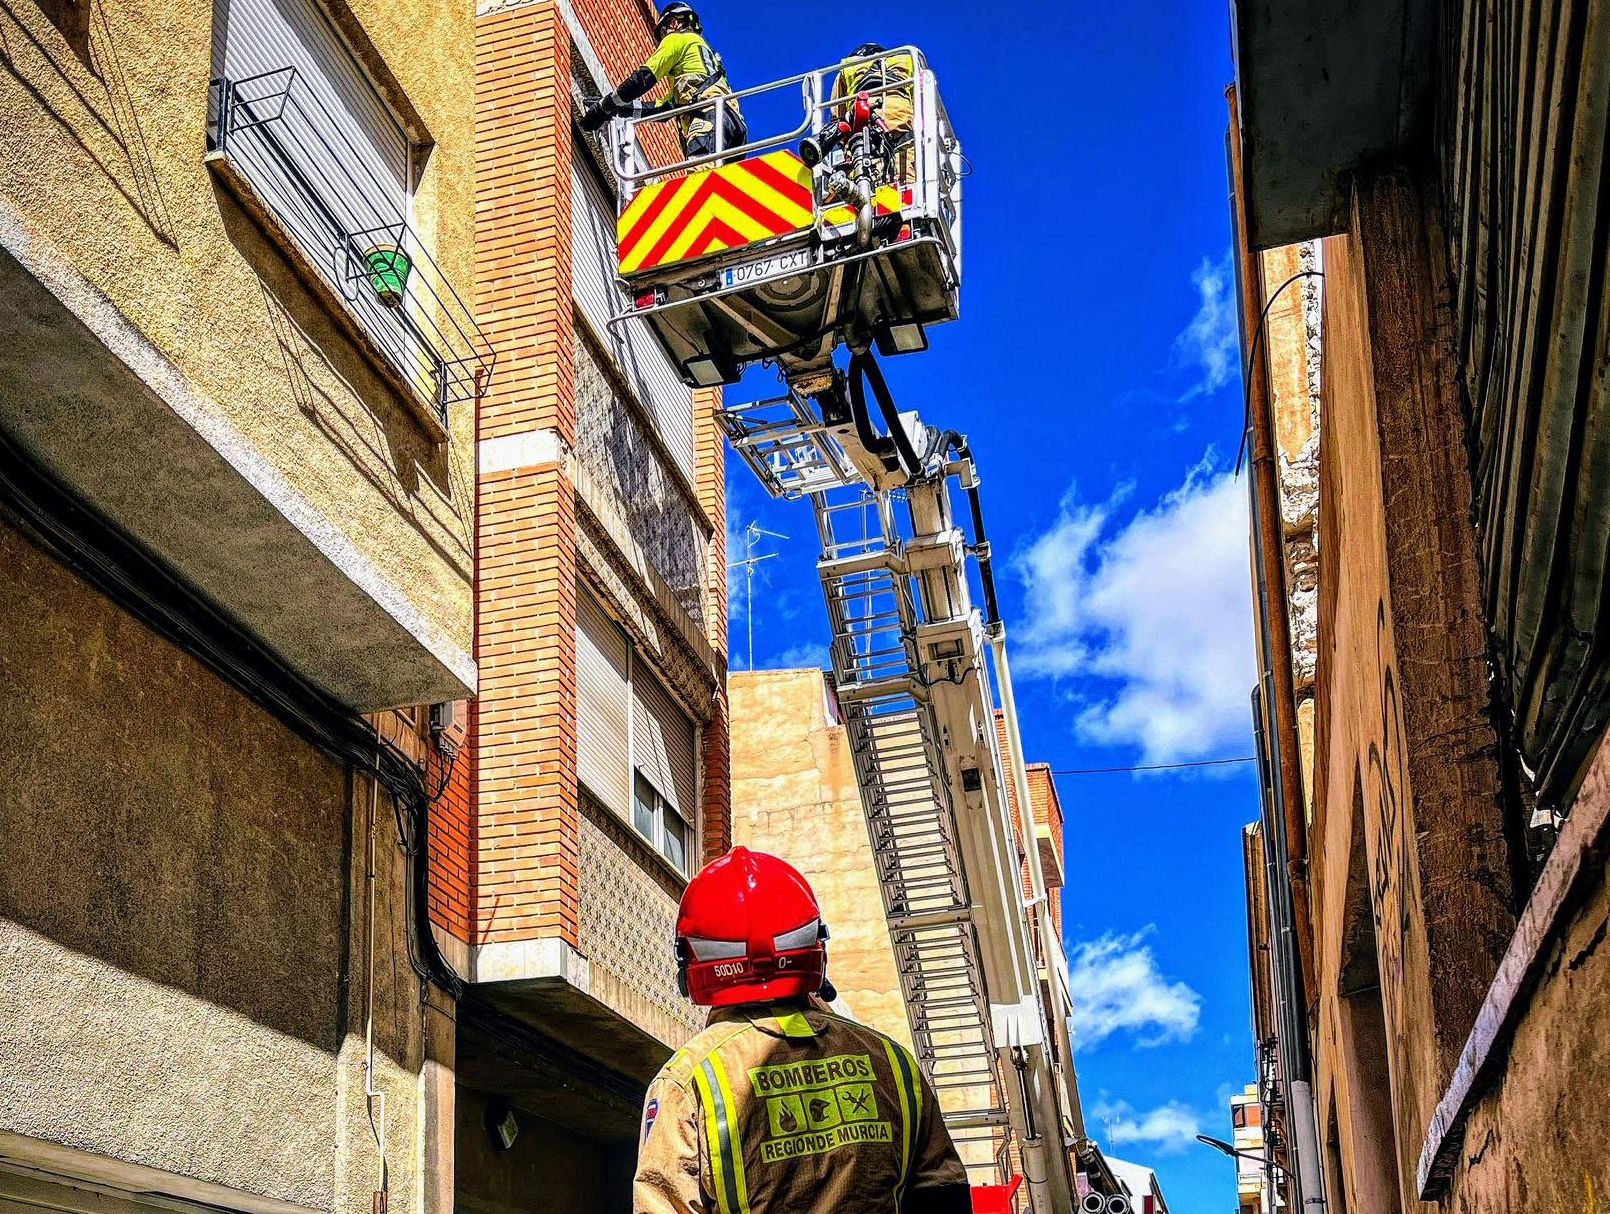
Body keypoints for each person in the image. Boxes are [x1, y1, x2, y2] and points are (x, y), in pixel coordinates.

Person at [634, 847, 971, 1214]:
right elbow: (945, 1195)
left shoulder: (688, 1080)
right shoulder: (893, 1063)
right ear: (814, 944)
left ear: (693, 960)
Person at [580, 3, 746, 160]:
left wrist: (604, 106)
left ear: (673, 23)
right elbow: (662, 109)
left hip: (708, 119)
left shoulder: (677, 39)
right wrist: (617, 110)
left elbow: (643, 79)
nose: (662, 40)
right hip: (733, 126)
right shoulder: (699, 63)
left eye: (663, 33)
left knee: (700, 177)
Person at [830, 43, 916, 182]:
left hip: (862, 129)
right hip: (902, 132)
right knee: (906, 184)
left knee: (864, 180)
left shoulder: (848, 68)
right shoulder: (907, 62)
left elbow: (837, 117)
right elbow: (921, 106)